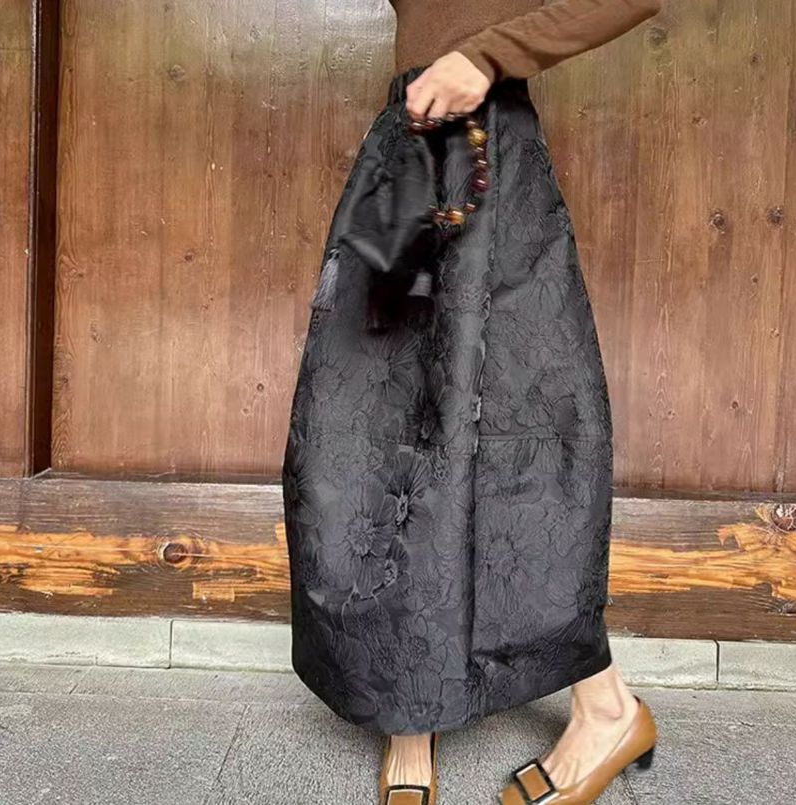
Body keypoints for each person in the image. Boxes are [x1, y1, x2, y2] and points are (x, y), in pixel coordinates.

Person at [282, 1, 663, 802]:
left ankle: (605, 707)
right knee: (377, 425)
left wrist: (488, 55)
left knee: (522, 427)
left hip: (487, 150)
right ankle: (408, 709)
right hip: (412, 148)